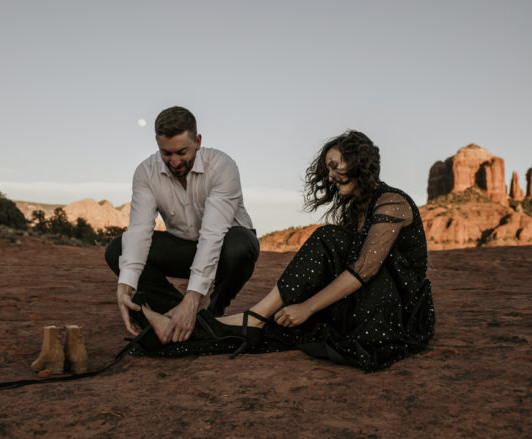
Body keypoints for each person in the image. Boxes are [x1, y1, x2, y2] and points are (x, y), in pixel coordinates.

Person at [141, 130, 435, 371]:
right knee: (277, 326)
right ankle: (181, 332)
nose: (329, 175)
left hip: (393, 309)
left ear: (360, 163)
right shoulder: (356, 209)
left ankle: (253, 316)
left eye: (335, 166)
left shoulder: (392, 201)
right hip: (365, 299)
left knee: (326, 243)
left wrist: (307, 306)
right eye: (327, 167)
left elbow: (365, 268)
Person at [105, 106, 259, 344]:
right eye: (166, 153)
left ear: (197, 141)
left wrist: (194, 297)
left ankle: (212, 313)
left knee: (241, 244)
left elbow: (212, 234)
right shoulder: (145, 173)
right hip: (183, 247)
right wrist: (125, 286)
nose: (175, 162)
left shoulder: (222, 166)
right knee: (118, 249)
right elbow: (139, 232)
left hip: (226, 247)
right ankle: (178, 313)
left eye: (182, 152)